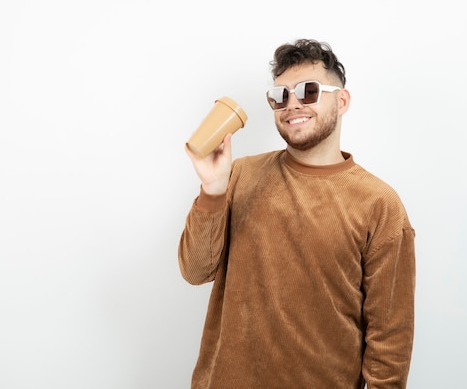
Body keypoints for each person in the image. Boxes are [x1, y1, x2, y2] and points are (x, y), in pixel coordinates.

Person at [178, 39, 416, 389]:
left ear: (343, 100)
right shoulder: (240, 175)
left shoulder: (379, 205)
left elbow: (390, 344)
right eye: (280, 95)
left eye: (308, 91)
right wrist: (213, 191)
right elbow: (195, 271)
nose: (292, 105)